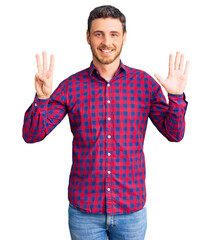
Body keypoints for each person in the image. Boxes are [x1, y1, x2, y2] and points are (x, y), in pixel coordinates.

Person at [22, 5, 189, 240]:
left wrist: (176, 97)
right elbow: (32, 135)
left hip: (131, 210)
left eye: (114, 34)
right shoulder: (71, 86)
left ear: (124, 37)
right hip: (84, 212)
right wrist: (42, 98)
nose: (106, 41)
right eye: (99, 33)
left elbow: (175, 134)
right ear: (88, 37)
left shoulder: (145, 84)